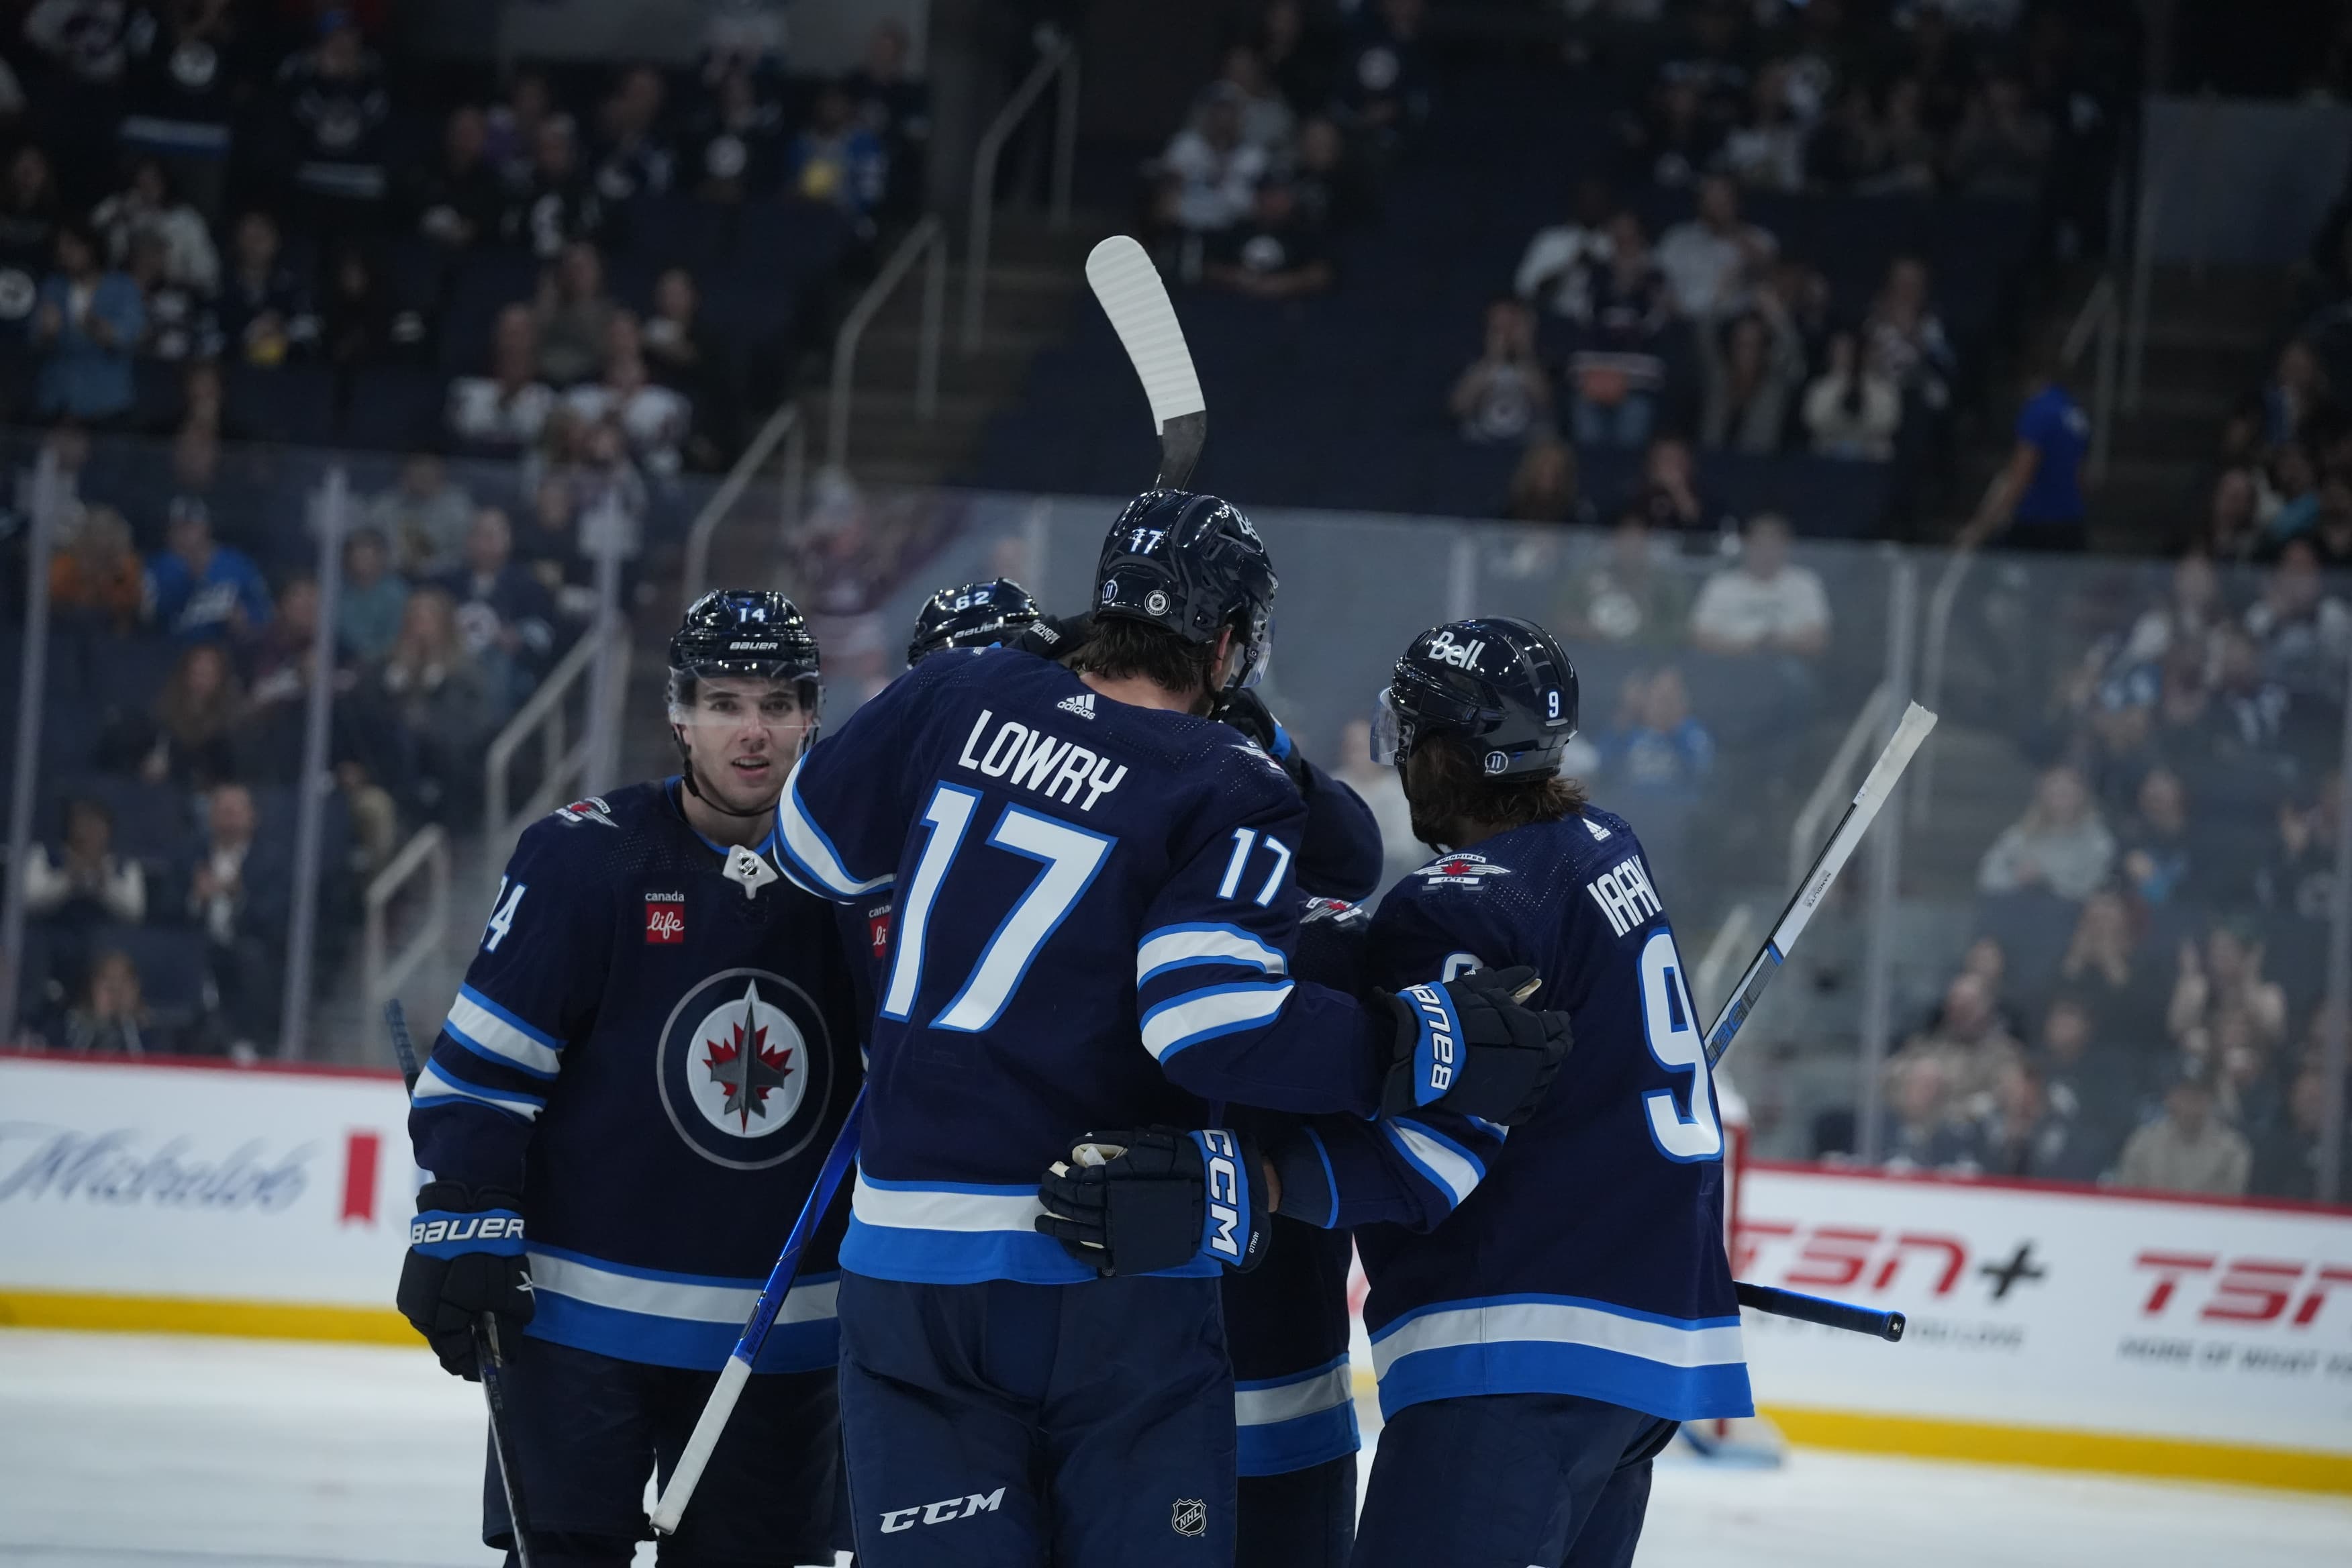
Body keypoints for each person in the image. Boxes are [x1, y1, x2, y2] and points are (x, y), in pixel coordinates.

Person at [772, 492, 1569, 1566]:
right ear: (1230, 644)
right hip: (1105, 1258)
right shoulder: (1225, 780)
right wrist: (1413, 1044)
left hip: (907, 1264)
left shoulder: (960, 688)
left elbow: (812, 851)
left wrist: (1023, 699)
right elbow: (1209, 1015)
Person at [1076, 616, 1749, 1568]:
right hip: (1650, 1362)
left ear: (1444, 752)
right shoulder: (1606, 846)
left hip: (1515, 1356)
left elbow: (1426, 1164)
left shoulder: (1456, 905)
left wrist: (1242, 1185)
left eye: (1406, 738)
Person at [905, 575, 1389, 1567]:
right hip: (1077, 1363)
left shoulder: (1200, 814)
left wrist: (1261, 737)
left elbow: (1350, 858)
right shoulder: (903, 900)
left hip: (1230, 1380)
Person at [397, 591, 870, 1566]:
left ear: (812, 715)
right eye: (727, 702)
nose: (754, 732)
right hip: (580, 1330)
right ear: (678, 714)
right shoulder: (586, 859)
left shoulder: (866, 884)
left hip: (777, 1339)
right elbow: (487, 1065)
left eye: (778, 703)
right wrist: (462, 1208)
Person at [1960, 352, 2089, 552]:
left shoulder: (2038, 412)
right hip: (2071, 520)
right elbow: (2080, 474)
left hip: (2037, 523)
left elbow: (2021, 475)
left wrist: (1983, 526)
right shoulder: (2075, 414)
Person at [32, 220, 145, 424]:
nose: (64, 252)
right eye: (61, 246)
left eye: (72, 245)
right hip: (58, 401)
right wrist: (46, 332)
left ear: (91, 248)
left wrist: (97, 326)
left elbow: (129, 335)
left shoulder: (122, 287)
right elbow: (35, 339)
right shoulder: (53, 287)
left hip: (107, 403)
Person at [1688, 513, 1829, 659]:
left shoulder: (1805, 583)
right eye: (1760, 544)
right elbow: (1700, 639)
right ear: (1746, 544)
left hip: (1789, 668)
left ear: (1786, 546)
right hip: (1729, 667)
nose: (1766, 553)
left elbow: (1817, 641)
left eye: (1773, 545)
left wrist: (1775, 644)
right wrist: (1748, 646)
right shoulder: (1721, 585)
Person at [1976, 765, 2115, 903]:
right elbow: (1989, 875)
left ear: (2081, 796)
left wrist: (2045, 879)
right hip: (2022, 904)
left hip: (2070, 911)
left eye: (2066, 795)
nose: (2061, 802)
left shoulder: (2097, 839)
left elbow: (2091, 887)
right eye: (2055, 795)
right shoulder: (2022, 834)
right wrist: (2016, 878)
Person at [143, 499, 270, 643]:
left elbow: (264, 610)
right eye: (179, 528)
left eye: (192, 527)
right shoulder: (157, 567)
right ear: (169, 532)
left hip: (226, 652)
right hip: (172, 652)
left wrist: (246, 618)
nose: (186, 535)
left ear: (207, 528)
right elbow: (148, 618)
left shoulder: (236, 563)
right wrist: (186, 578)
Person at [2114, 1066, 2251, 1197]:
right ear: (2169, 1098)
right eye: (2183, 1094)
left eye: (2198, 1096)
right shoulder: (2142, 1144)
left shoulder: (2232, 1150)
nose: (2190, 1104)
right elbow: (2128, 1199)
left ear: (2210, 1099)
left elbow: (2232, 1205)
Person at [1451, 297, 1551, 444]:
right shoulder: (1473, 363)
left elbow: (1545, 402)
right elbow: (1458, 407)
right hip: (1481, 445)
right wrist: (1493, 359)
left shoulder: (1543, 361)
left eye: (1511, 325)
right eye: (1497, 327)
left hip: (1528, 446)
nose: (1505, 333)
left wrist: (1524, 352)